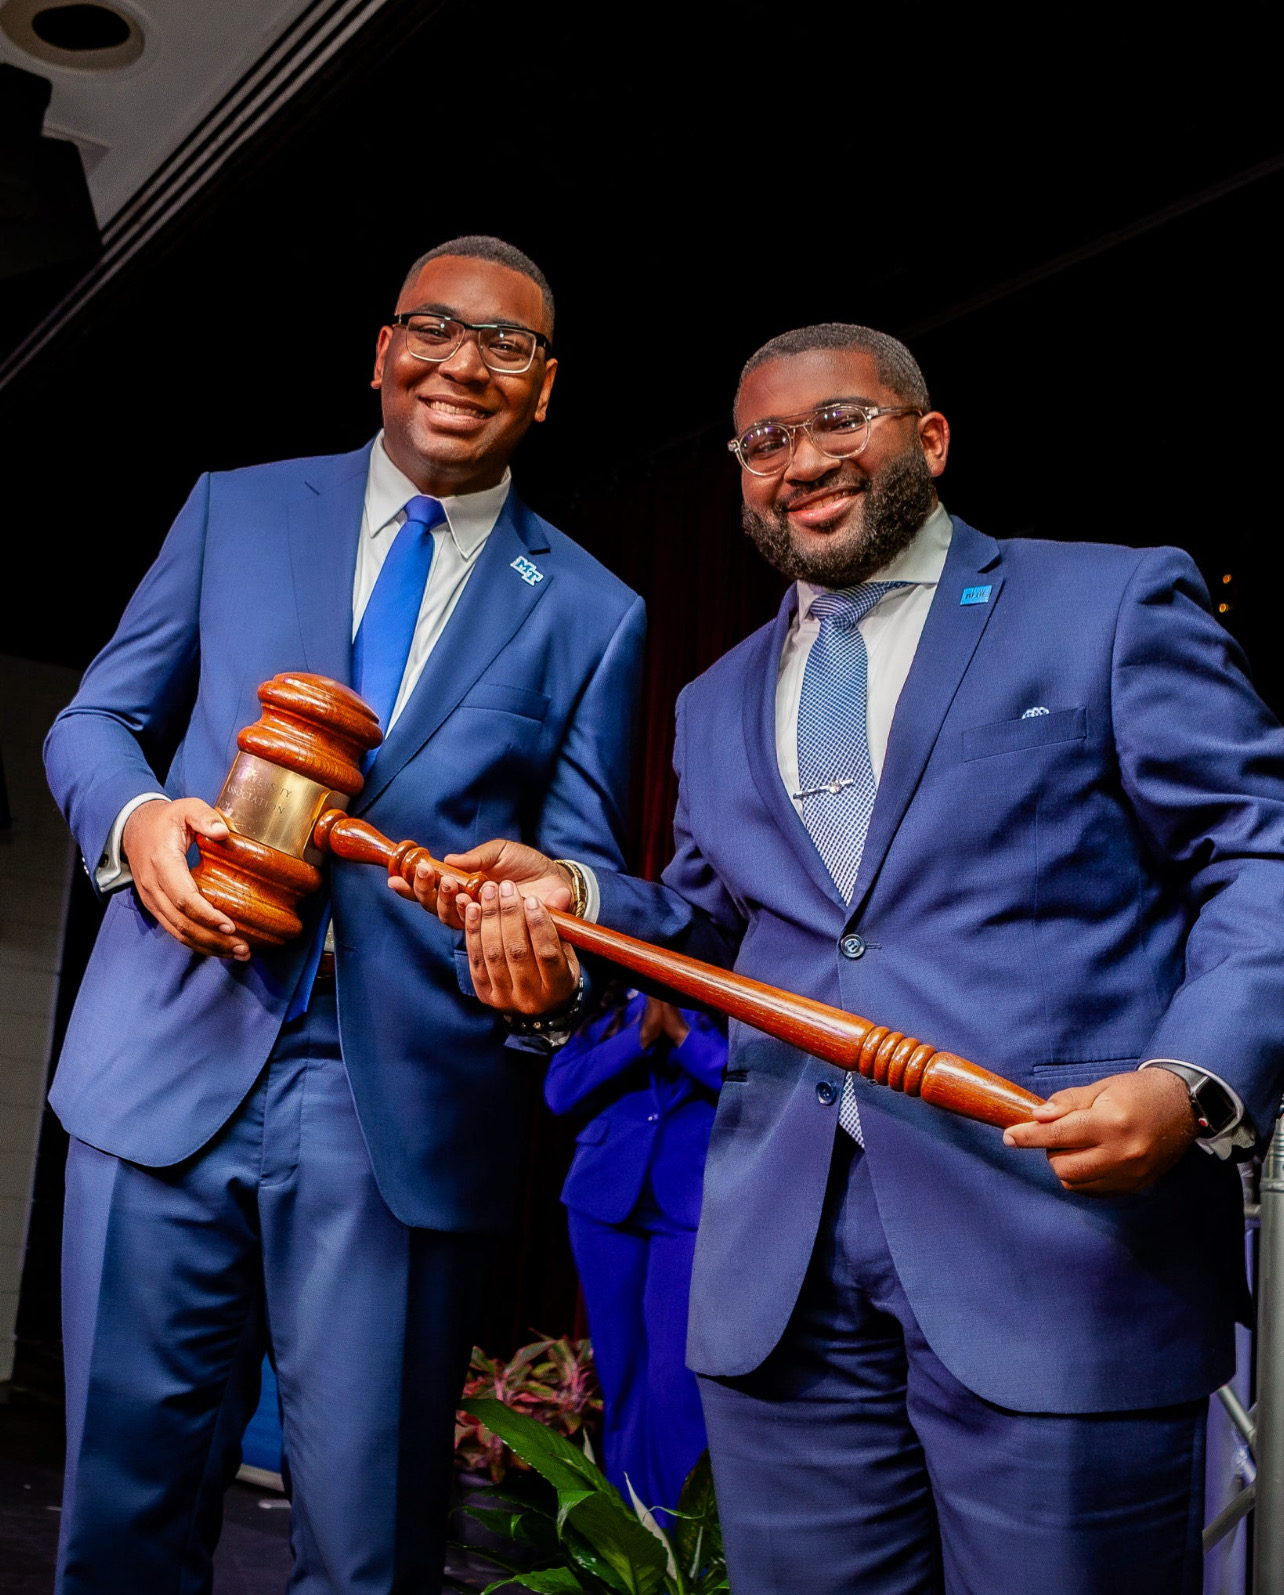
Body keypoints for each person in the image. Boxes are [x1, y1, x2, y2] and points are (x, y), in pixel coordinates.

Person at [397, 323, 1284, 1593]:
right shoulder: (717, 694)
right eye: (764, 440)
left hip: (1052, 1245)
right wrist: (577, 896)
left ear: (927, 437)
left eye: (837, 422)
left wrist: (1194, 1078)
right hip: (782, 1271)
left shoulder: (1109, 601)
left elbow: (1262, 849)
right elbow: (715, 925)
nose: (798, 457)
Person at [43, 235, 645, 1593]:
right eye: (435, 327)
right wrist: (141, 828)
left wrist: (540, 964)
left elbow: (583, 866)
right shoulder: (234, 508)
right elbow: (98, 720)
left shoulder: (595, 609)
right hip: (161, 1059)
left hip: (397, 1109)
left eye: (508, 344)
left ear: (545, 390)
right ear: (382, 352)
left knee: (368, 1545)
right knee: (116, 1515)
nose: (464, 362)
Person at [544, 988, 725, 1517]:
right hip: (603, 1203)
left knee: (677, 1386)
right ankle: (630, 1545)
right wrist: (639, 1036)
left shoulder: (724, 1001)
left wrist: (682, 1037)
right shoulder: (603, 1005)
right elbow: (559, 1091)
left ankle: (681, 1551)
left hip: (691, 1203)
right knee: (622, 1378)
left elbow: (751, 1085)